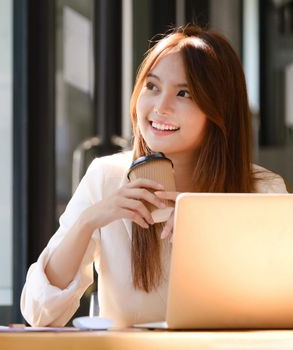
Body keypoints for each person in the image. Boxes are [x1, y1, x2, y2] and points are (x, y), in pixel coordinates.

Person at [20, 25, 288, 328]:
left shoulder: (262, 191)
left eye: (184, 93)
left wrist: (213, 231)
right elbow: (40, 313)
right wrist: (89, 220)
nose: (160, 107)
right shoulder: (107, 177)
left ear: (219, 110)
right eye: (152, 87)